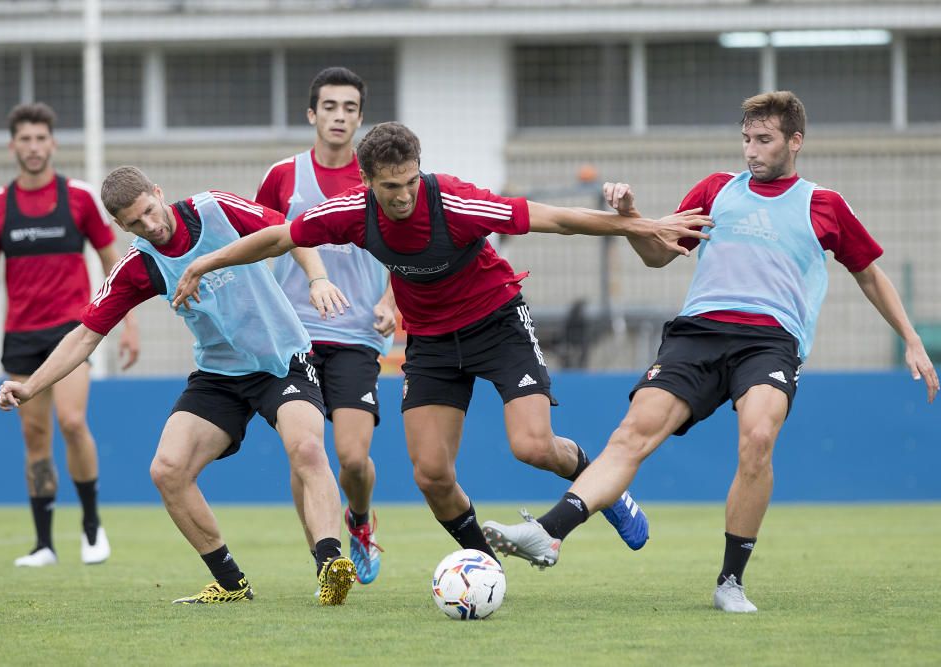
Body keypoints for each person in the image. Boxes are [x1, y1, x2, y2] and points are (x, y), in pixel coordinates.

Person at [481, 91, 939, 613]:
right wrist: (634, 218)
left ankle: (730, 583)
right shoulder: (717, 190)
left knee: (759, 436)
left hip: (770, 340)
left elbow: (869, 274)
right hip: (698, 334)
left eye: (764, 140)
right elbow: (658, 255)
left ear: (795, 141)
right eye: (746, 139)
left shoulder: (824, 205)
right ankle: (549, 531)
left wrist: (912, 337)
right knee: (632, 433)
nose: (751, 150)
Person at [171, 121, 712, 561]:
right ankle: (486, 567)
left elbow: (557, 219)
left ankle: (605, 488)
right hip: (430, 341)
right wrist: (206, 261)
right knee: (431, 476)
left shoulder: (454, 202)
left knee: (532, 447)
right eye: (390, 186)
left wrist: (640, 227)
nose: (404, 195)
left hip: (496, 322)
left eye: (410, 181)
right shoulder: (350, 214)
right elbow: (279, 237)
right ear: (366, 182)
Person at [0, 165, 358, 606]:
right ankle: (231, 584)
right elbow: (86, 334)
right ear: (120, 225)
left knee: (305, 448)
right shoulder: (139, 264)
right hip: (219, 377)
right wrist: (31, 386)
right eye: (134, 222)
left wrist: (318, 278)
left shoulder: (216, 210)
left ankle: (329, 565)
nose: (149, 225)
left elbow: (289, 234)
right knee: (167, 471)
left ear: (158, 191)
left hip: (281, 359)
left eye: (150, 210)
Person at [0, 102, 139, 568]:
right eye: (25, 139)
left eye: (41, 139)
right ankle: (44, 544)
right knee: (35, 441)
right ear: (13, 145)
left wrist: (128, 323)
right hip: (20, 337)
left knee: (72, 423)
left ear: (53, 143)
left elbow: (116, 261)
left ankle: (92, 527)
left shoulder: (79, 198)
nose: (33, 147)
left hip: (73, 330)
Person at [255, 67, 395, 585]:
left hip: (358, 335)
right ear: (312, 114)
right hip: (294, 339)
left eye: (350, 108)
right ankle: (325, 557)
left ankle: (359, 523)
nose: (339, 116)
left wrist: (390, 299)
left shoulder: (380, 176)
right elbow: (257, 244)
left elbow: (411, 246)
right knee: (304, 451)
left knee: (353, 460)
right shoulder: (283, 176)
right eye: (330, 107)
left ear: (361, 117)